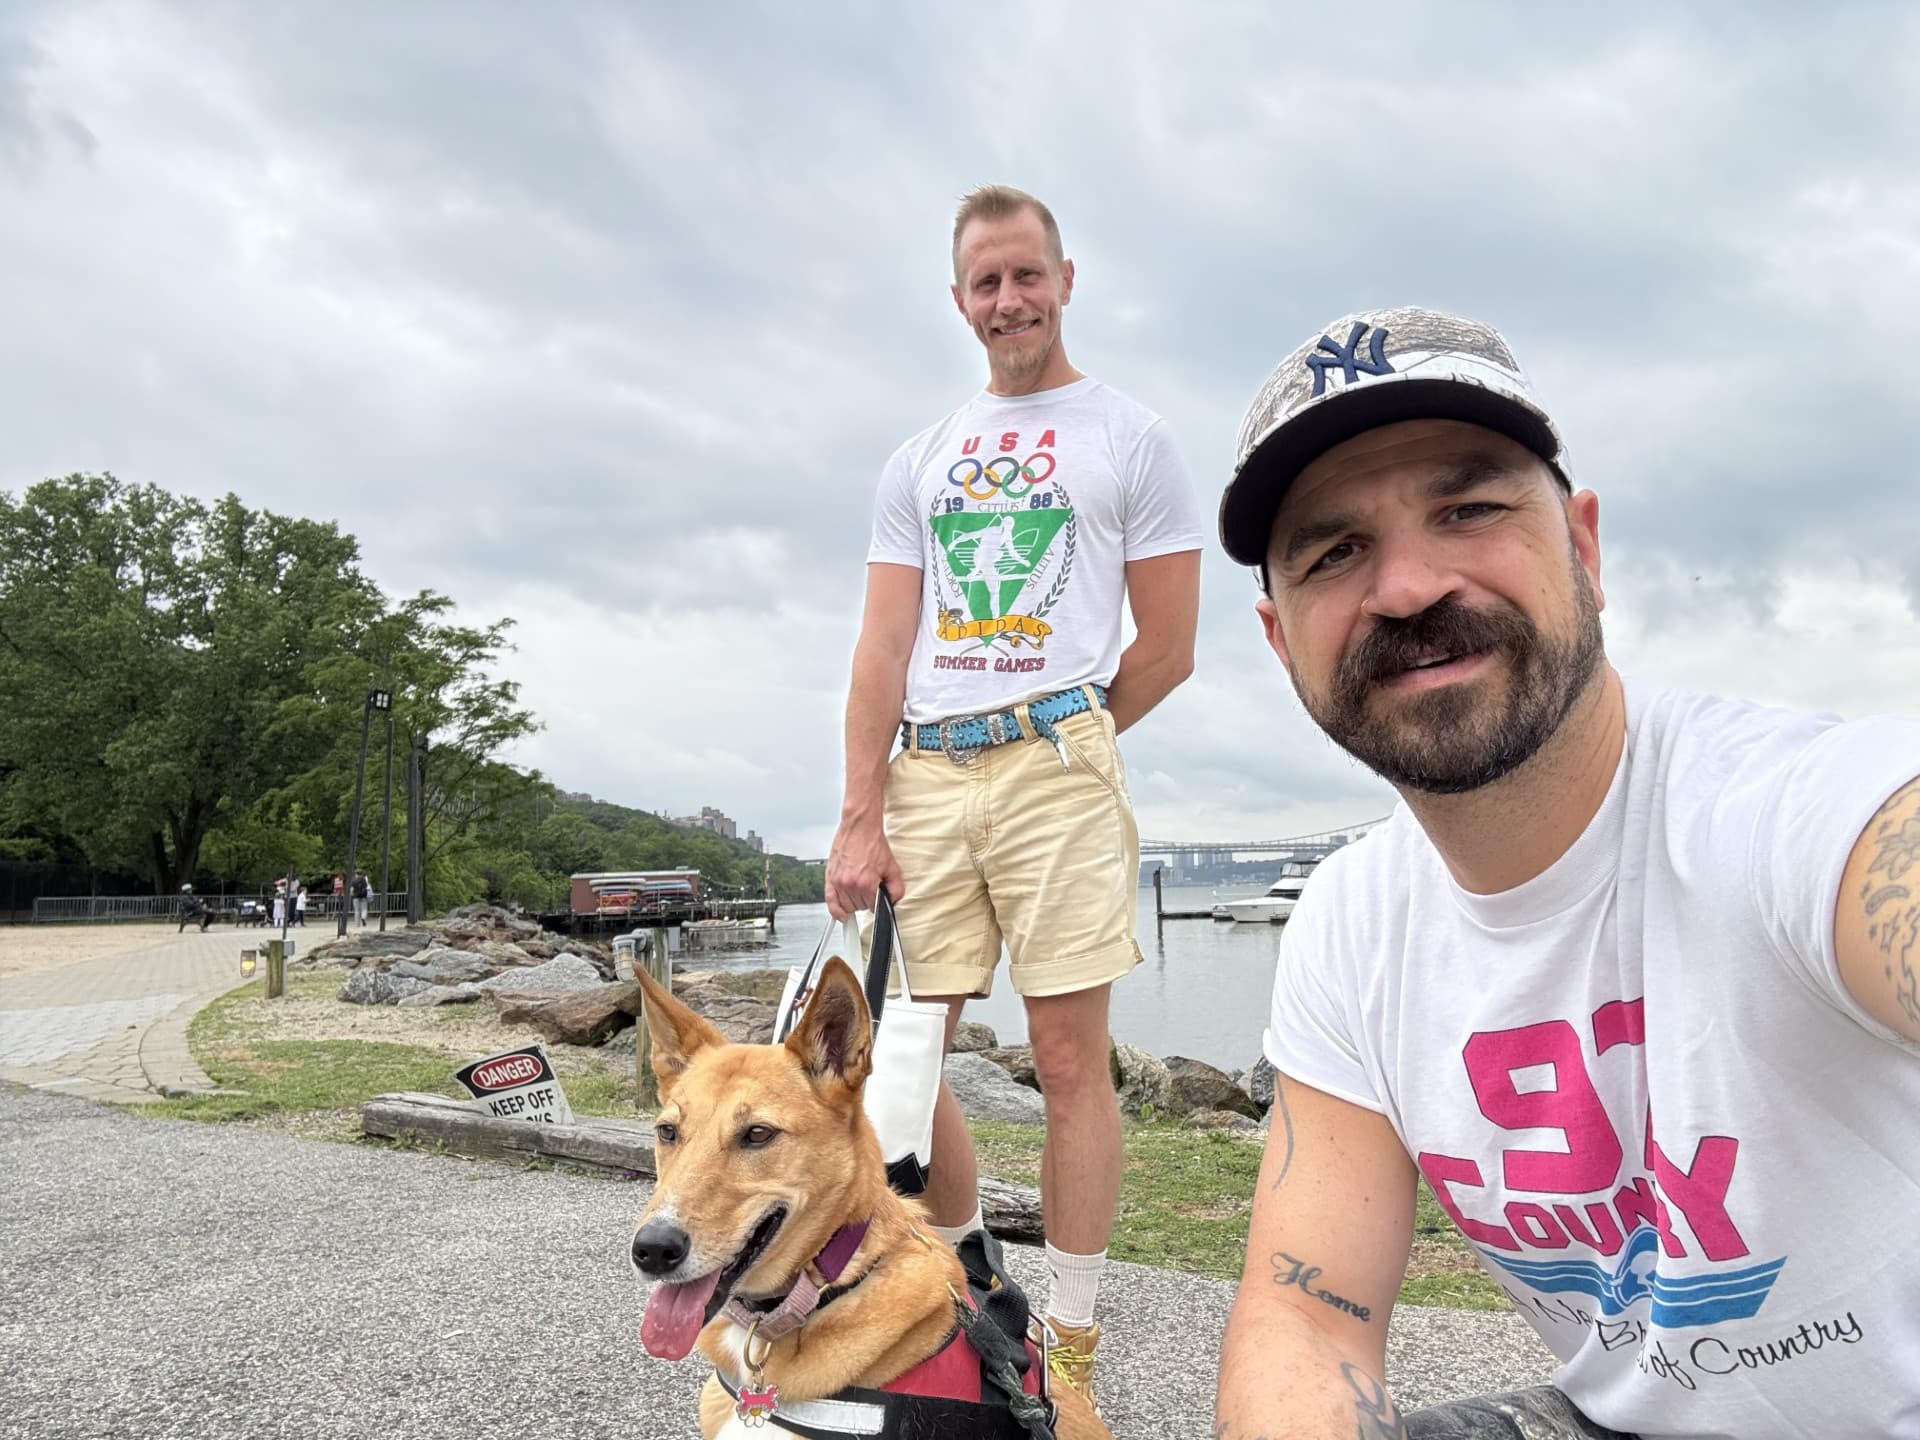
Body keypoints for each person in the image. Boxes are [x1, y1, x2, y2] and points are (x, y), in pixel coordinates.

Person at [1210, 306, 1920, 1440]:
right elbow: (1309, 1319)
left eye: (1470, 508)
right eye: (1335, 551)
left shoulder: (1783, 811)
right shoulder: (1351, 923)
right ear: (1280, 638)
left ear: (1584, 551)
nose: (1405, 587)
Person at [825, 184, 1203, 1401]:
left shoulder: (1129, 436)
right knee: (905, 1045)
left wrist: (1069, 735)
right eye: (985, 284)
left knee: (1064, 1054)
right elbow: (882, 649)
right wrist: (858, 810)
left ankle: (1076, 1344)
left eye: (1025, 276)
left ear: (1065, 279)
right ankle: (962, 1269)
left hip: (1052, 758)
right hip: (926, 767)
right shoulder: (921, 458)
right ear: (959, 301)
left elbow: (1169, 642)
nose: (1007, 301)